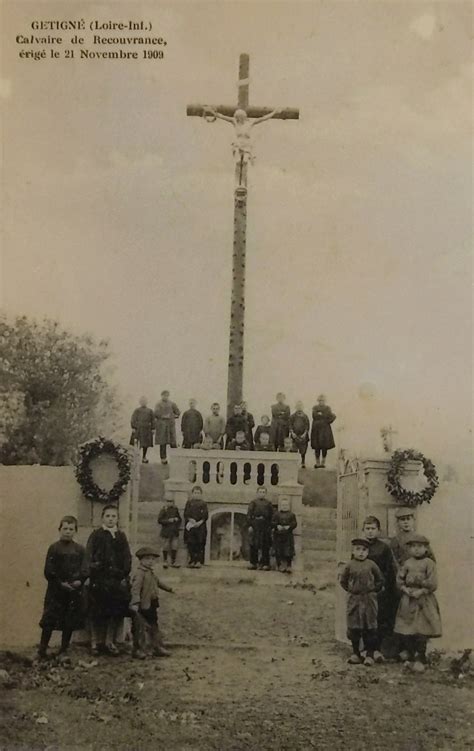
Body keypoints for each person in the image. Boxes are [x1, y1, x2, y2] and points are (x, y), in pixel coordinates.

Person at [84, 505, 132, 656]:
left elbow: (127, 557)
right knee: (96, 611)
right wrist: (92, 570)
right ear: (102, 518)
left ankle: (109, 641)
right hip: (99, 580)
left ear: (117, 519)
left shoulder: (121, 536)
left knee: (114, 611)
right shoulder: (96, 535)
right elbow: (88, 555)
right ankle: (94, 642)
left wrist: (123, 573)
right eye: (108, 516)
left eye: (114, 516)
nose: (111, 519)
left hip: (115, 580)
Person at [38, 515, 86, 660]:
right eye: (65, 528)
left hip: (73, 591)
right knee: (49, 620)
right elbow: (49, 570)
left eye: (71, 529)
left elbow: (85, 569)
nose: (68, 532)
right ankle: (42, 649)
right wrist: (60, 583)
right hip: (56, 591)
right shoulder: (53, 548)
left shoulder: (80, 550)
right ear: (59, 530)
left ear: (75, 531)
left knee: (69, 620)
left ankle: (64, 649)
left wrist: (80, 581)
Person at [394, 533, 442, 671]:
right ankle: (409, 656)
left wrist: (421, 591)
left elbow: (433, 583)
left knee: (422, 629)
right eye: (413, 546)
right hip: (408, 600)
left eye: (420, 546)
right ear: (409, 549)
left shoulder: (429, 563)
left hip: (423, 600)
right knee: (408, 628)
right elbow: (399, 580)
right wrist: (405, 589)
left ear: (426, 549)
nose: (416, 549)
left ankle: (420, 657)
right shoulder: (407, 563)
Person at [339, 537, 385, 666]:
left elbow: (380, 579)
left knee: (370, 627)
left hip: (369, 600)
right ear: (353, 551)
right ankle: (356, 653)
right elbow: (343, 581)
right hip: (354, 599)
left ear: (368, 552)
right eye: (358, 549)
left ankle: (369, 655)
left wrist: (373, 590)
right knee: (354, 626)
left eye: (364, 550)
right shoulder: (349, 565)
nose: (361, 552)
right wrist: (352, 590)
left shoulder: (371, 564)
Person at [362, 516, 398, 661]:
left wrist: (384, 586)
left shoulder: (384, 547)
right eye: (367, 529)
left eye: (373, 529)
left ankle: (377, 649)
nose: (370, 532)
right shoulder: (360, 547)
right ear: (363, 530)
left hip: (381, 589)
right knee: (365, 618)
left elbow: (390, 569)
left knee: (380, 618)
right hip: (364, 589)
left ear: (378, 530)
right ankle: (366, 648)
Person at [130, 547, 173, 659]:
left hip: (152, 603)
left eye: (152, 559)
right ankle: (138, 649)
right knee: (140, 627)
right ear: (141, 560)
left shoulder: (151, 573)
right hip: (142, 605)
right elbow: (135, 589)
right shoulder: (140, 573)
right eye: (147, 559)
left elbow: (158, 583)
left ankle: (157, 647)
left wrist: (169, 589)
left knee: (154, 625)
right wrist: (135, 603)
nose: (150, 561)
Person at [203, 106, 281, 165]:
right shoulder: (235, 122)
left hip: (247, 145)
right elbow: (222, 116)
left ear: (243, 117)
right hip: (238, 145)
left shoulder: (250, 123)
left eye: (240, 117)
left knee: (246, 161)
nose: (239, 119)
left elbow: (263, 118)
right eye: (237, 117)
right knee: (238, 161)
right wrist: (211, 111)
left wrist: (274, 112)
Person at [247, 486, 274, 571]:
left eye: (263, 492)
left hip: (265, 525)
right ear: (257, 493)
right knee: (254, 544)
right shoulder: (253, 503)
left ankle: (265, 564)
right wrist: (250, 525)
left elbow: (272, 515)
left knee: (265, 545)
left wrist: (270, 526)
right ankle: (253, 563)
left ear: (265, 494)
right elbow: (249, 515)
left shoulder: (268, 503)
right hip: (256, 524)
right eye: (260, 492)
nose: (262, 494)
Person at [183, 486, 209, 568]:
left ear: (201, 494)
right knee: (191, 543)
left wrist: (200, 522)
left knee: (200, 543)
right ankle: (192, 560)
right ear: (192, 494)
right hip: (191, 526)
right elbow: (186, 514)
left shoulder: (203, 504)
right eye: (195, 493)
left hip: (200, 527)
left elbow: (205, 515)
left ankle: (198, 561)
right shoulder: (189, 503)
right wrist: (190, 520)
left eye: (198, 493)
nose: (196, 494)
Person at [154, 390, 180, 464]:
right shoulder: (158, 404)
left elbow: (178, 412)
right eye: (164, 395)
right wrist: (163, 416)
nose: (165, 397)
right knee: (163, 442)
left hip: (170, 425)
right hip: (162, 426)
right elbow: (155, 413)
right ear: (161, 395)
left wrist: (174, 416)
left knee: (173, 441)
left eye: (167, 395)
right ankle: (163, 458)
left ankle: (175, 457)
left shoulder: (171, 403)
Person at [311, 394, 336, 468]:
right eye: (320, 400)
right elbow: (314, 415)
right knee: (316, 446)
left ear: (325, 401)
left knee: (324, 446)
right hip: (316, 429)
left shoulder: (328, 408)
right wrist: (322, 415)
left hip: (325, 430)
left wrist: (327, 421)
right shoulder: (315, 407)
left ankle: (323, 462)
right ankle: (317, 462)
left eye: (323, 400)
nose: (321, 402)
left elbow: (332, 416)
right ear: (318, 401)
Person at [272, 499, 297, 573]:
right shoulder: (276, 514)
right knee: (278, 550)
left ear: (289, 506)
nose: (284, 506)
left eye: (286, 505)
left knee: (288, 550)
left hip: (287, 535)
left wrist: (289, 526)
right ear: (280, 506)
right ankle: (279, 565)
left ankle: (289, 566)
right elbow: (272, 522)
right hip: (278, 535)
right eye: (283, 505)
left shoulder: (292, 515)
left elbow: (294, 523)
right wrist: (277, 526)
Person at [158, 496, 182, 568]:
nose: (169, 503)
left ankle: (173, 561)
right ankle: (165, 561)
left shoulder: (175, 509)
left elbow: (179, 519)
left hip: (174, 531)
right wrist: (168, 521)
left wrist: (176, 519)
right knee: (166, 546)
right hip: (166, 531)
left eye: (171, 501)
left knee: (174, 546)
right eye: (168, 501)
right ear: (165, 502)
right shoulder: (163, 510)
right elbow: (159, 520)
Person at [130, 397, 155, 463]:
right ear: (140, 402)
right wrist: (133, 427)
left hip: (146, 429)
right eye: (142, 401)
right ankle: (134, 456)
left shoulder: (150, 411)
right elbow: (133, 419)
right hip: (138, 429)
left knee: (145, 444)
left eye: (145, 401)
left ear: (147, 402)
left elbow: (153, 420)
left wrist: (153, 428)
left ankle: (144, 457)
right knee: (136, 443)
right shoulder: (137, 410)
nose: (143, 403)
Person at [289, 401, 310, 468]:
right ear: (295, 407)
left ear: (303, 407)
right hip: (294, 435)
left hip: (303, 436)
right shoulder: (292, 416)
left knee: (303, 450)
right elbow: (290, 425)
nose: (299, 407)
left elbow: (307, 426)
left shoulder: (305, 416)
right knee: (294, 449)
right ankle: (293, 462)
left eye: (300, 406)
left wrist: (304, 434)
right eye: (298, 406)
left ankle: (303, 462)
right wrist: (292, 433)